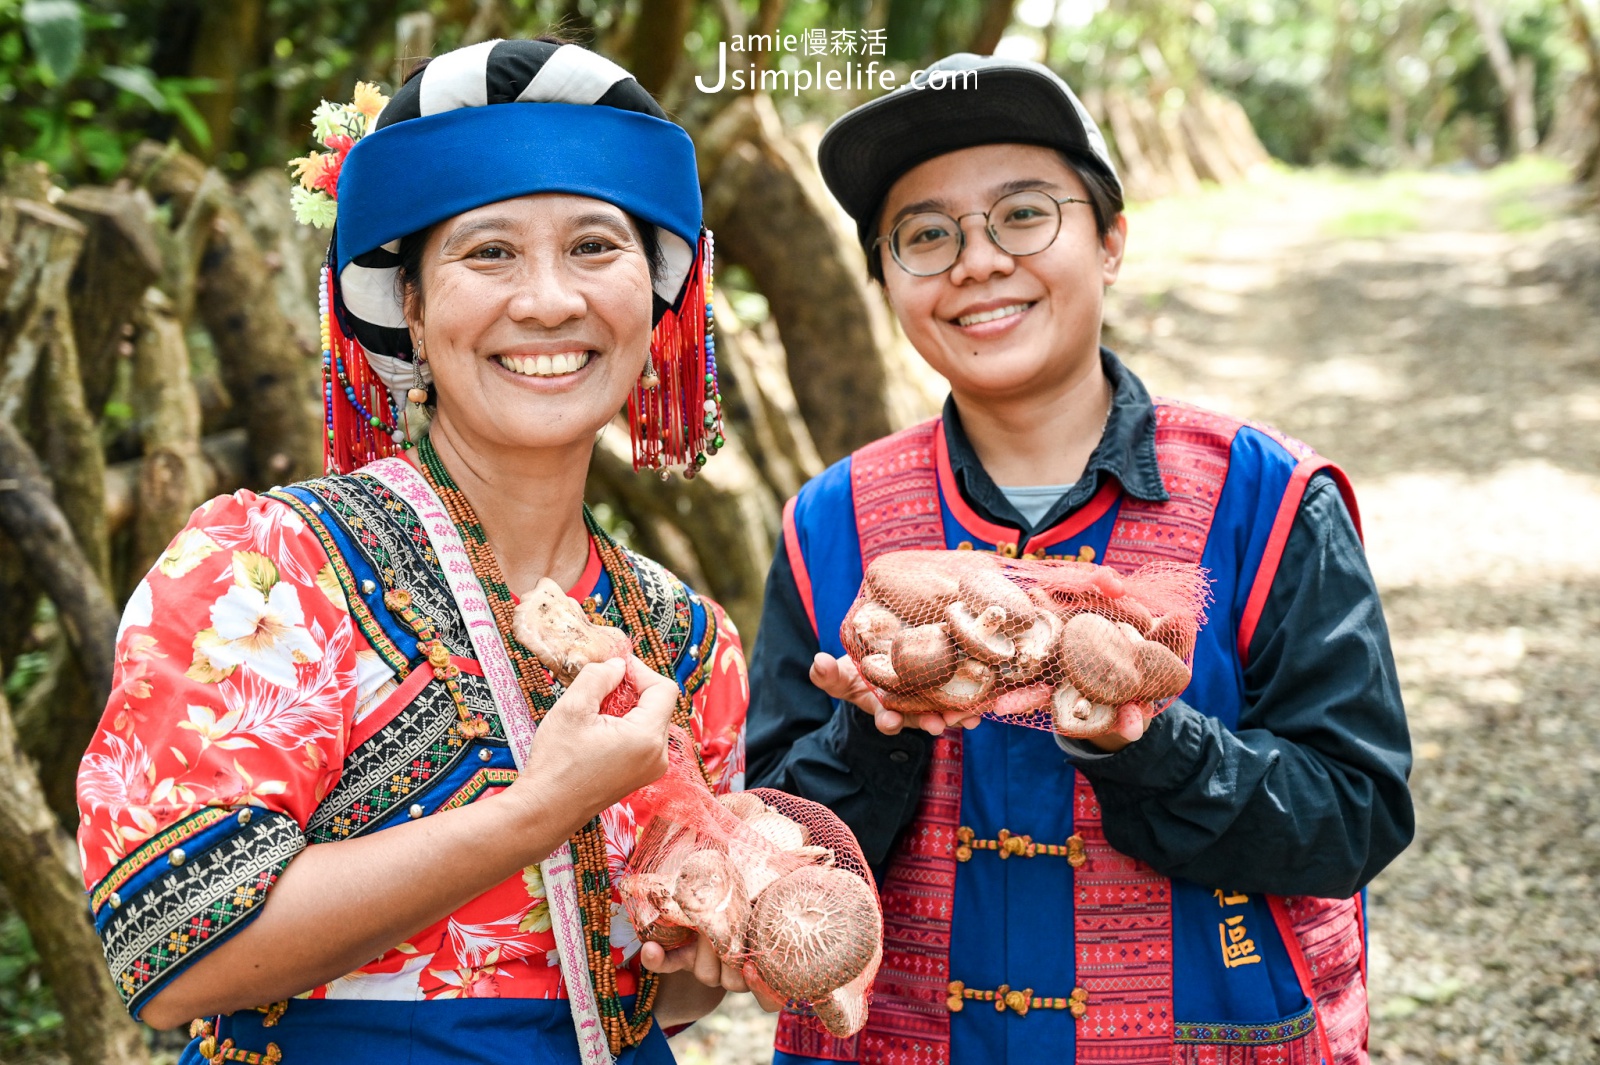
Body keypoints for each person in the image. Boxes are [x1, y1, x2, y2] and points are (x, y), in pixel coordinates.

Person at [76, 38, 765, 1065]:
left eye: (594, 247)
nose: (547, 300)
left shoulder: (686, 643)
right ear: (410, 306)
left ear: (657, 298)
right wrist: (536, 812)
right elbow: (167, 959)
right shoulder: (269, 570)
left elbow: (652, 1001)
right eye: (488, 252)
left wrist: (713, 937)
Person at [747, 54, 1413, 1065]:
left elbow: (1354, 818)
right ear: (885, 279)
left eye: (1022, 215)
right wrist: (872, 734)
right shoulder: (828, 526)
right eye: (925, 236)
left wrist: (1146, 747)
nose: (976, 262)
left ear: (1109, 243)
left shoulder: (1267, 499)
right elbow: (770, 854)